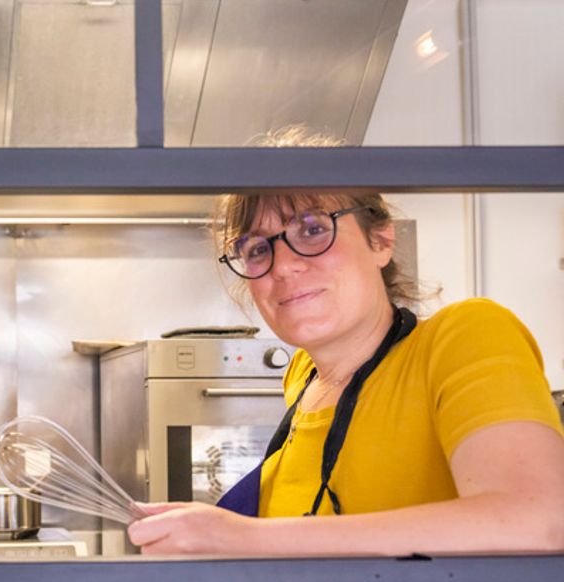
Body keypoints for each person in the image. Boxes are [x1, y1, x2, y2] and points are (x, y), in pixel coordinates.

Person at [127, 128, 564, 556]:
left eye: (313, 230)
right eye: (258, 249)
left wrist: (237, 537)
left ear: (381, 240)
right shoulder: (302, 378)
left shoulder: (465, 336)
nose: (283, 266)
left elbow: (537, 519)